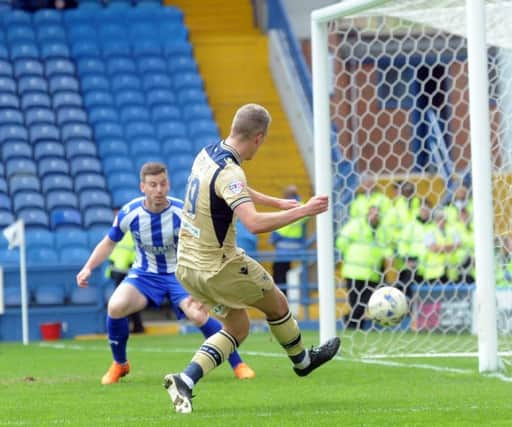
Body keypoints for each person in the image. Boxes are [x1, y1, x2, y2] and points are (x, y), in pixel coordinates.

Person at [163, 103, 340, 414]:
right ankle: (303, 361)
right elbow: (254, 223)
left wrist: (279, 203)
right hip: (219, 266)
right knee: (278, 304)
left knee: (237, 326)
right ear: (259, 138)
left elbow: (234, 190)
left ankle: (185, 381)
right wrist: (304, 211)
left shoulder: (207, 153)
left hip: (187, 267)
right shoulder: (231, 171)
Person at [76, 162, 255, 385]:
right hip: (144, 275)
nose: (158, 190)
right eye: (153, 185)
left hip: (180, 275)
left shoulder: (183, 212)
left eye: (162, 184)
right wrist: (88, 267)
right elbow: (108, 242)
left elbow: (205, 242)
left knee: (199, 315)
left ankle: (238, 363)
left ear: (168, 184)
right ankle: (119, 364)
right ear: (143, 187)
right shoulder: (130, 213)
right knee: (115, 306)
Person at [336, 205, 392, 330]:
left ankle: (350, 322)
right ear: (367, 214)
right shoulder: (355, 225)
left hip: (373, 272)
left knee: (366, 301)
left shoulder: (383, 230)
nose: (374, 216)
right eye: (372, 213)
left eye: (377, 214)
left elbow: (387, 247)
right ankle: (356, 325)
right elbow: (341, 242)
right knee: (355, 302)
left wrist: (389, 256)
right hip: (354, 271)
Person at [104, 226, 145, 333]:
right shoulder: (134, 235)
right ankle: (136, 326)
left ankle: (134, 326)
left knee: (124, 301)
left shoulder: (118, 235)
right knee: (126, 301)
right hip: (126, 272)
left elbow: (112, 255)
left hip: (122, 272)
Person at [269, 184, 307, 296]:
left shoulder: (288, 207)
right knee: (285, 274)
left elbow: (281, 227)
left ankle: (281, 297)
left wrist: (273, 237)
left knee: (279, 275)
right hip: (297, 246)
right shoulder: (303, 207)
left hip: (284, 248)